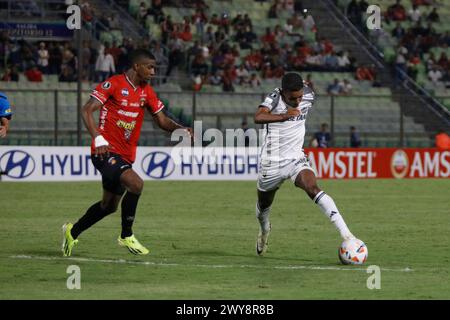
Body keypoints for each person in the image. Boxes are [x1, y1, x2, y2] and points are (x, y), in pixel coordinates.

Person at [62, 49, 193, 257]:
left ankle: (72, 231)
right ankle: (126, 235)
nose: (153, 71)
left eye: (154, 68)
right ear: (136, 66)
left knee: (109, 206)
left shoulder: (146, 91)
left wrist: (182, 129)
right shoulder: (113, 84)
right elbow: (86, 110)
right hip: (104, 151)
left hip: (125, 156)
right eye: (149, 67)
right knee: (136, 183)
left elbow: (161, 120)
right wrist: (98, 136)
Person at [253, 73, 356, 256]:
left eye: (301, 96)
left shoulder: (308, 94)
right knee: (263, 208)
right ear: (284, 92)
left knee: (312, 187)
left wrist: (305, 89)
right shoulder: (275, 98)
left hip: (295, 158)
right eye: (294, 98)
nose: (299, 101)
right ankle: (265, 230)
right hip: (272, 163)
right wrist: (285, 115)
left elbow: (308, 93)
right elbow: (258, 117)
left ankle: (348, 236)